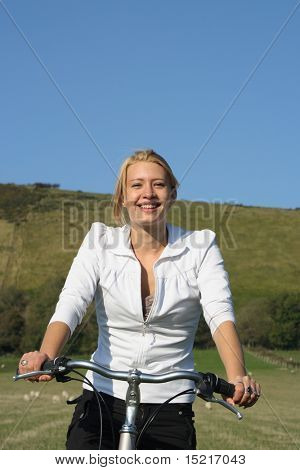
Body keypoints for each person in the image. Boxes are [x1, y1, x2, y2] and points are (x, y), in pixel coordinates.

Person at [19, 149, 260, 450]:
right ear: (122, 196)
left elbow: (219, 313)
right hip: (103, 394)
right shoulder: (99, 241)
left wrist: (236, 377)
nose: (148, 193)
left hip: (170, 402)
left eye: (158, 184)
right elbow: (72, 302)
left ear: (172, 194)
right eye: (136, 185)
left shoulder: (201, 247)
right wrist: (46, 354)